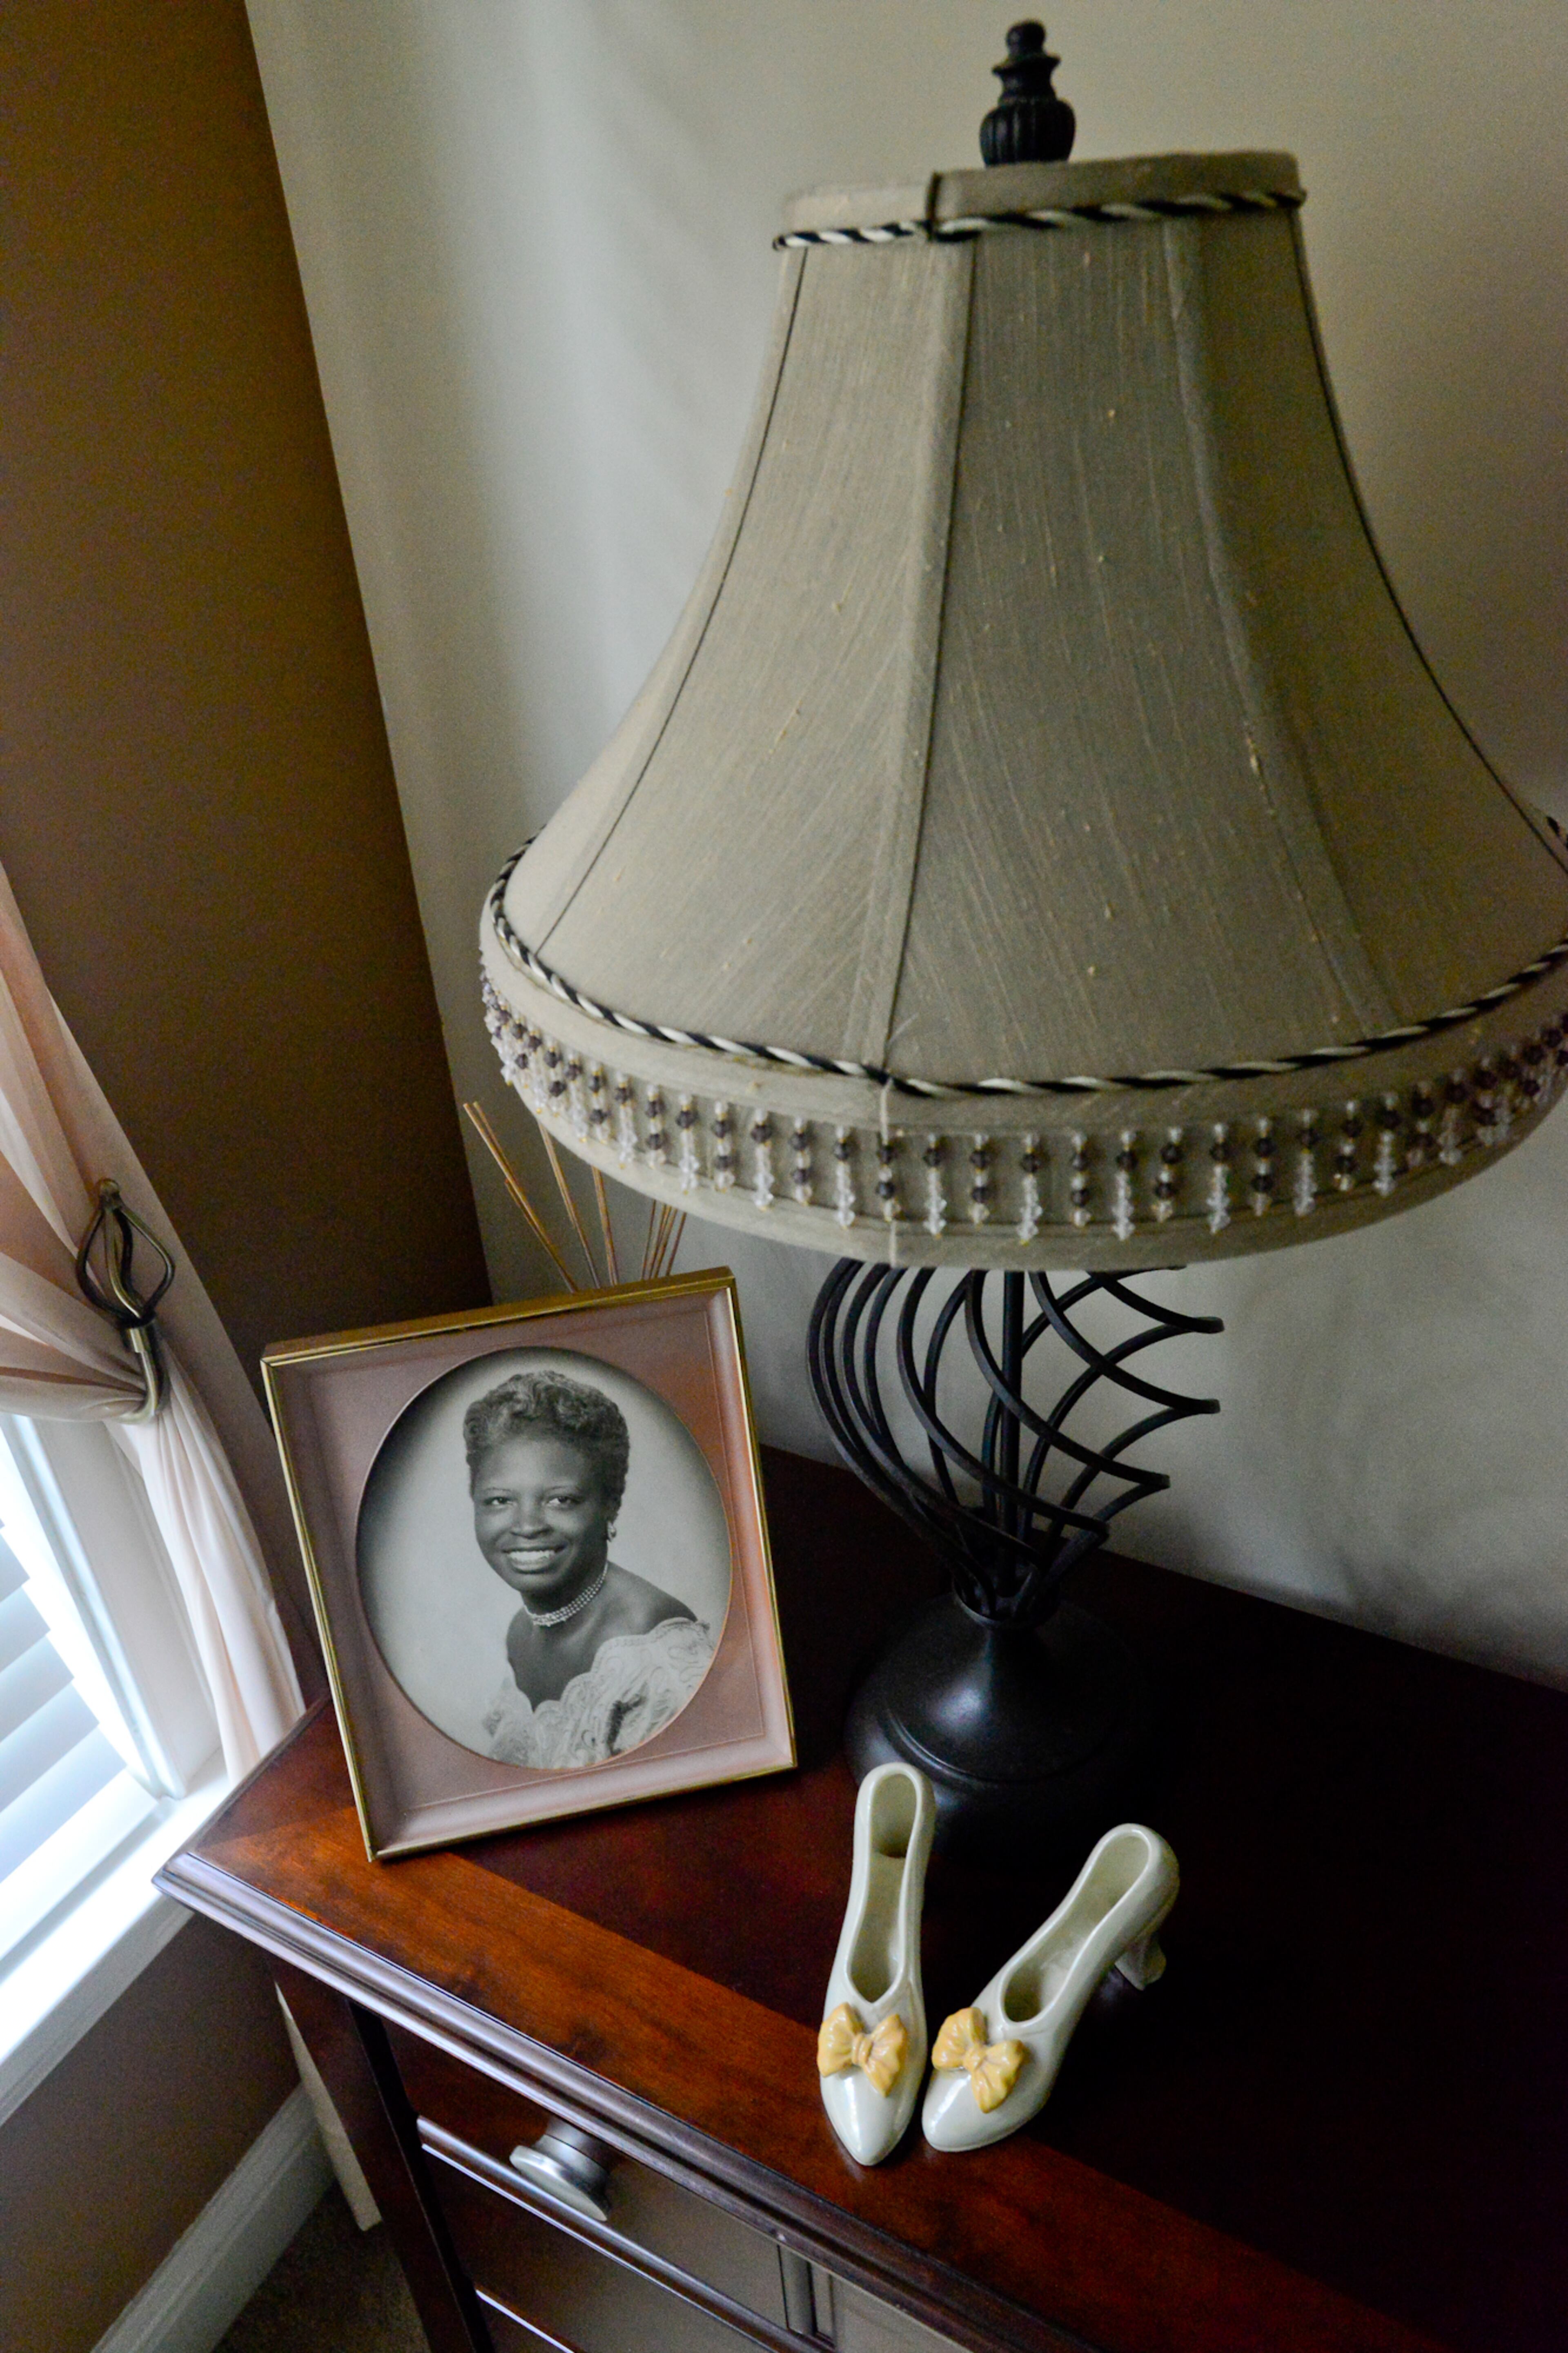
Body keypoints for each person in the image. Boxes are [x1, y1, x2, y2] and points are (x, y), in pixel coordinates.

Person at [467, 1368, 714, 1769]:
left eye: (561, 1500)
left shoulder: (657, 1662)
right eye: (499, 1501)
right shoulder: (521, 1629)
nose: (527, 1526)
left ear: (609, 1505)